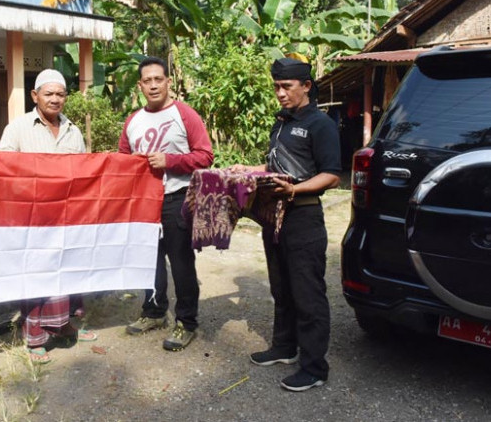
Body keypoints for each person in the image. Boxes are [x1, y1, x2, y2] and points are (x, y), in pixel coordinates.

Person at [232, 57, 341, 392]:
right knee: (281, 287)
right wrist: (246, 170)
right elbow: (273, 166)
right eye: (276, 87)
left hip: (303, 217)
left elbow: (333, 175)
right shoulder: (280, 123)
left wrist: (295, 189)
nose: (279, 93)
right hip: (273, 217)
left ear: (306, 86)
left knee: (308, 293)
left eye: (286, 87)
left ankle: (314, 367)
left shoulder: (320, 124)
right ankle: (284, 348)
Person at [0, 68, 97, 364]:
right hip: (32, 219)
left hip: (68, 216)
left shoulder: (73, 130)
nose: (55, 99)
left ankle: (64, 324)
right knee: (36, 276)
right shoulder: (18, 129)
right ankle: (35, 338)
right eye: (49, 93)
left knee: (68, 273)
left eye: (60, 94)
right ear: (35, 96)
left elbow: (83, 172)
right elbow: (4, 170)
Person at [119, 56, 213, 351]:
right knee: (149, 260)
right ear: (140, 85)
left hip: (177, 198)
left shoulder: (185, 115)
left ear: (168, 82)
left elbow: (206, 156)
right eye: (147, 81)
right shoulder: (133, 121)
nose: (153, 85)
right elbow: (122, 160)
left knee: (181, 263)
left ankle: (186, 322)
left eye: (159, 79)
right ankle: (154, 312)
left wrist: (170, 161)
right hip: (144, 203)